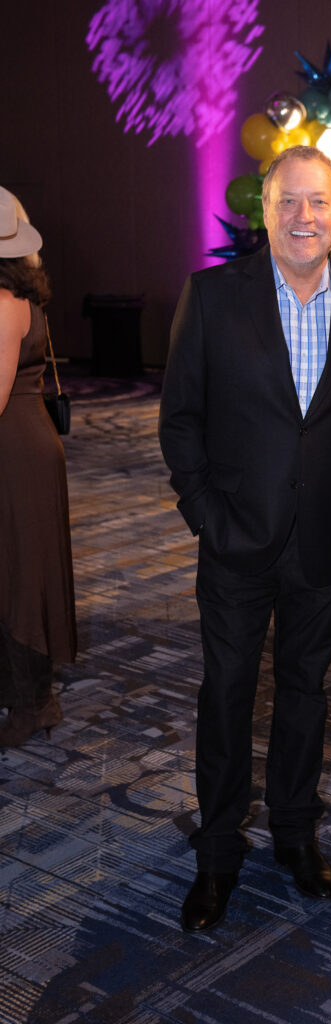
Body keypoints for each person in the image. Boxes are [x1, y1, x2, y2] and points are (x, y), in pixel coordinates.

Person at [159, 146, 331, 933]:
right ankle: (217, 853)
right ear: (264, 209)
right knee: (224, 697)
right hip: (235, 544)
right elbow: (179, 420)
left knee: (304, 696)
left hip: (322, 545)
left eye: (317, 203)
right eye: (288, 202)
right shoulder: (214, 296)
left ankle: (294, 833)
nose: (303, 218)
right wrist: (206, 518)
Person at [0, 187, 76, 747]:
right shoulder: (15, 295)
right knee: (16, 569)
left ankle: (32, 704)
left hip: (15, 450)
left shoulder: (3, 303)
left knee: (19, 576)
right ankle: (28, 697)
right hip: (22, 444)